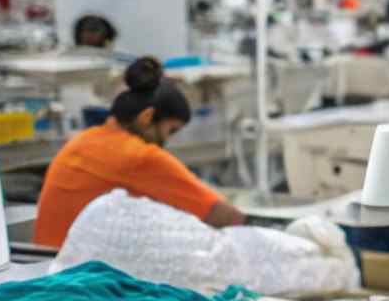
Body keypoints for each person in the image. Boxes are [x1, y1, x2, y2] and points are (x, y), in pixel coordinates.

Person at [34, 57, 245, 248]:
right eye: (170, 130)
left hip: (47, 263)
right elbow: (223, 216)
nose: (166, 142)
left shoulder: (84, 139)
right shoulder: (137, 156)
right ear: (147, 117)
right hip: (79, 274)